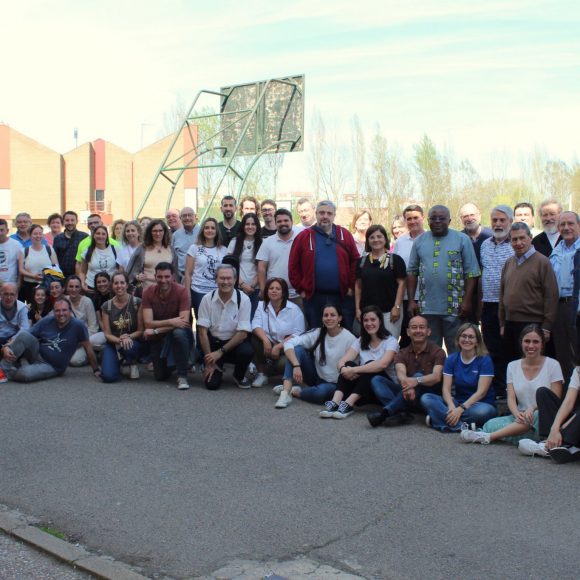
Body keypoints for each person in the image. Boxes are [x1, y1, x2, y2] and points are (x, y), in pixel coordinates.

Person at [461, 325, 563, 445]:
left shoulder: (553, 365)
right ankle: (528, 438)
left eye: (535, 342)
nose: (531, 346)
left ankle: (490, 437)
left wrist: (532, 409)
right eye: (527, 341)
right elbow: (511, 398)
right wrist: (516, 414)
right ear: (521, 343)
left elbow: (554, 398)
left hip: (543, 417)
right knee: (490, 424)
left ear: (542, 344)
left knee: (535, 416)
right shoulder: (512, 366)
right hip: (520, 417)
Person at [407, 205, 480, 352]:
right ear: (428, 221)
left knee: (457, 348)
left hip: (455, 307)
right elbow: (412, 272)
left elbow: (472, 273)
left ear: (450, 220)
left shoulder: (462, 239)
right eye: (433, 218)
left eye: (442, 218)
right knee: (431, 350)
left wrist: (466, 300)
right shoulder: (419, 241)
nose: (437, 221)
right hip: (427, 307)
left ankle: (453, 375)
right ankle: (435, 376)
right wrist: (411, 301)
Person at [319, 305, 400, 419]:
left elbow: (383, 364)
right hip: (365, 389)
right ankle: (335, 403)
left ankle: (348, 404)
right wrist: (343, 369)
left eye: (373, 320)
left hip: (384, 388)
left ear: (380, 321)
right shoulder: (360, 341)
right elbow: (342, 361)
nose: (369, 323)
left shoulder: (391, 341)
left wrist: (354, 370)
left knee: (370, 365)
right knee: (348, 364)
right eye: (365, 320)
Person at [289, 200, 359, 331]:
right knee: (316, 333)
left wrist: (351, 286)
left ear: (334, 215)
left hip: (342, 296)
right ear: (316, 214)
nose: (325, 216)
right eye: (322, 213)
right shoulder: (304, 236)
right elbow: (293, 265)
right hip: (314, 297)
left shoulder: (344, 235)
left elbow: (355, 261)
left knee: (344, 332)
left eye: (329, 213)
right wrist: (301, 290)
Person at [367, 315, 446, 427]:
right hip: (408, 395)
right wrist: (408, 384)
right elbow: (401, 374)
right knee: (377, 380)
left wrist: (416, 381)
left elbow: (436, 377)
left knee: (417, 375)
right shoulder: (402, 352)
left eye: (421, 327)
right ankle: (401, 413)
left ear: (428, 331)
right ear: (408, 332)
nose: (418, 330)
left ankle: (386, 413)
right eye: (414, 327)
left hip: (428, 396)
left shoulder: (438, 352)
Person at [0, 297, 100, 382]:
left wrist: (96, 370)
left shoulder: (78, 326)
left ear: (70, 311)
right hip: (36, 354)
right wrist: (7, 347)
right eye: (57, 310)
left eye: (64, 310)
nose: (61, 313)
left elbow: (88, 347)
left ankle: (13, 370)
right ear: (53, 311)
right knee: (23, 335)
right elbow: (26, 335)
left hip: (52, 366)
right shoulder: (47, 321)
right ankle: (3, 369)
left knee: (25, 374)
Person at [499, 222, 558, 365]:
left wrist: (546, 327)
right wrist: (502, 323)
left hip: (533, 324)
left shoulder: (542, 262)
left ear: (530, 238)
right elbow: (502, 295)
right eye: (514, 239)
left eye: (522, 238)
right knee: (513, 365)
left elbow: (551, 296)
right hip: (510, 324)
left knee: (533, 366)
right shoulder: (509, 263)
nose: (518, 243)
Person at [274, 304, 355, 409]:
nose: (329, 318)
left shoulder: (349, 338)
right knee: (297, 349)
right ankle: (285, 393)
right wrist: (296, 365)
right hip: (316, 377)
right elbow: (289, 344)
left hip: (336, 385)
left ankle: (294, 391)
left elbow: (353, 366)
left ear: (339, 318)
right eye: (326, 315)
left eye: (332, 315)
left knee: (320, 393)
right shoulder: (317, 333)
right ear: (322, 318)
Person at [421, 323, 496, 432]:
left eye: (471, 337)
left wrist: (460, 409)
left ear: (477, 341)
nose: (467, 340)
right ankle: (464, 426)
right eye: (463, 336)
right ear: (458, 339)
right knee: (426, 398)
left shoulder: (485, 360)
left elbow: (481, 393)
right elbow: (446, 389)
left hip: (479, 404)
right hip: (458, 402)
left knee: (484, 412)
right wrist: (452, 407)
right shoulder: (451, 359)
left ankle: (438, 420)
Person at [196, 264, 253, 390]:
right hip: (212, 344)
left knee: (247, 351)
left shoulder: (243, 300)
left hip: (233, 344)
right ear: (216, 279)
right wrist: (209, 361)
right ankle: (214, 367)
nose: (225, 282)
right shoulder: (207, 299)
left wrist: (220, 353)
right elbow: (202, 332)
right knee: (212, 385)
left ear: (235, 280)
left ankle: (238, 376)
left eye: (229, 278)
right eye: (222, 278)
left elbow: (242, 333)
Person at [479, 205, 514, 397]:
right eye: (495, 220)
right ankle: (497, 390)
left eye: (502, 220)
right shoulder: (485, 244)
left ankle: (510, 390)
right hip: (489, 305)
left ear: (510, 221)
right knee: (492, 348)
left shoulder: (515, 243)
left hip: (509, 307)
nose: (498, 224)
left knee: (509, 349)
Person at [142, 262, 193, 390]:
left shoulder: (181, 291)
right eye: (159, 277)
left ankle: (182, 375)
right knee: (160, 376)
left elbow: (184, 322)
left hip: (174, 334)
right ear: (155, 277)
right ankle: (178, 361)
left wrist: (156, 330)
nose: (163, 280)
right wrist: (171, 322)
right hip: (159, 337)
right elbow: (148, 323)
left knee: (179, 333)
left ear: (173, 276)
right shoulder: (148, 292)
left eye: (166, 276)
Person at [251, 278, 305, 388]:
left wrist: (279, 346)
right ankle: (262, 374)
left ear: (284, 292)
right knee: (253, 338)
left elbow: (299, 333)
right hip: (268, 344)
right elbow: (255, 325)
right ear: (267, 291)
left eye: (278, 289)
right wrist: (265, 340)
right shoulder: (261, 306)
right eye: (271, 288)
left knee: (284, 363)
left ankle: (274, 373)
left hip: (286, 348)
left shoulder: (294, 309)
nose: (274, 291)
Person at [518, 367, 580, 462]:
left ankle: (557, 445)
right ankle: (551, 442)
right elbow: (568, 403)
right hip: (574, 422)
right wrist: (554, 429)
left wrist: (562, 429)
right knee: (542, 392)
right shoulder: (578, 370)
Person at [355, 225, 406, 339]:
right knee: (369, 344)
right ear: (368, 241)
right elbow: (358, 286)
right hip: (367, 313)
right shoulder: (361, 262)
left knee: (389, 343)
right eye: (372, 237)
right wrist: (357, 309)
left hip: (389, 312)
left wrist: (397, 307)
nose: (376, 240)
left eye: (379, 236)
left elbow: (402, 284)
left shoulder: (395, 260)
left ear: (385, 239)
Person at [549, 211, 580, 384]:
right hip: (559, 307)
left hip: (577, 308)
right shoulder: (556, 250)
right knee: (563, 355)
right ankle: (568, 400)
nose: (566, 228)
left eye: (570, 224)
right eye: (562, 225)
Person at [100, 272, 144, 382]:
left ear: (127, 285)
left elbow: (140, 330)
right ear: (112, 285)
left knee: (129, 347)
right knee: (108, 377)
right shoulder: (106, 306)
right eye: (116, 283)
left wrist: (128, 337)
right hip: (114, 342)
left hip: (132, 342)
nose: (119, 286)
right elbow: (107, 334)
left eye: (122, 283)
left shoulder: (137, 302)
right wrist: (120, 340)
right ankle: (117, 361)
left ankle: (132, 362)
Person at [183, 217, 229, 322]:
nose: (210, 230)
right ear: (202, 230)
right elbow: (188, 273)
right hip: (198, 291)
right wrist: (187, 294)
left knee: (217, 322)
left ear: (217, 231)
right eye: (207, 228)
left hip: (217, 291)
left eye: (213, 228)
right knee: (202, 323)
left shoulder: (224, 250)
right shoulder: (194, 248)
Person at [394, 204, 426, 347]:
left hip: (426, 297)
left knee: (424, 335)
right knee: (406, 335)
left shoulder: (430, 238)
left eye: (416, 218)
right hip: (405, 297)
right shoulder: (400, 241)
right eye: (409, 219)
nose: (412, 221)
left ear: (423, 218)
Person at [256, 209, 300, 305]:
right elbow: (261, 267)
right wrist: (263, 289)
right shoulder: (267, 242)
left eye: (286, 220)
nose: (283, 223)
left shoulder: (300, 240)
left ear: (292, 222)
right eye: (279, 221)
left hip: (297, 294)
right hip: (274, 295)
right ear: (275, 223)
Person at [126, 219, 178, 295]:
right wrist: (137, 276)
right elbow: (131, 271)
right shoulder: (142, 249)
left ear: (165, 232)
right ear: (150, 232)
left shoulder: (171, 250)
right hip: (147, 291)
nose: (158, 233)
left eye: (160, 231)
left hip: (167, 292)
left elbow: (175, 273)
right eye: (154, 231)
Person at [227, 213, 262, 317]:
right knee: (238, 319)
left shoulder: (263, 243)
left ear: (257, 226)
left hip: (255, 289)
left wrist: (251, 286)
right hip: (237, 288)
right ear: (243, 226)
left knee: (253, 320)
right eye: (247, 224)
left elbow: (263, 267)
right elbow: (230, 266)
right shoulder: (234, 242)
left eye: (253, 224)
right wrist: (242, 285)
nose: (250, 227)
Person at [65, 275, 105, 365]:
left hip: (86, 338)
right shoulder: (64, 301)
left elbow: (93, 327)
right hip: (69, 339)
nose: (74, 289)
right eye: (71, 286)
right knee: (70, 359)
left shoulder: (87, 302)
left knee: (75, 360)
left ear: (80, 288)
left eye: (77, 287)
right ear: (67, 288)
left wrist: (80, 340)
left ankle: (92, 353)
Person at [19, 224, 60, 304]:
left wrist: (46, 274)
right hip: (29, 286)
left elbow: (56, 268)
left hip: (47, 285)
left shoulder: (50, 249)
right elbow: (21, 270)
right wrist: (33, 276)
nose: (38, 236)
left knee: (47, 307)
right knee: (31, 308)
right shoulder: (24, 251)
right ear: (30, 235)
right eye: (35, 234)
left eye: (40, 233)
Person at [79, 225, 118, 295]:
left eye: (103, 234)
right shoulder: (87, 251)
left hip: (111, 288)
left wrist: (116, 284)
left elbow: (120, 269)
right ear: (93, 235)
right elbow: (82, 272)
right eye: (98, 233)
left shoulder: (115, 249)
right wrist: (82, 284)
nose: (101, 236)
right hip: (92, 288)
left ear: (107, 236)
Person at [52, 211, 88, 278]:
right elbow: (54, 258)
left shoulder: (84, 237)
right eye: (67, 220)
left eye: (72, 220)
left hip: (79, 276)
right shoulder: (58, 238)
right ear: (63, 222)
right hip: (62, 276)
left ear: (76, 221)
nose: (70, 223)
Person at [0, 283, 29, 358]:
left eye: (12, 294)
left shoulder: (22, 307)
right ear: (1, 294)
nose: (8, 297)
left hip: (13, 338)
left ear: (16, 295)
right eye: (5, 294)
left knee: (24, 337)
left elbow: (25, 328)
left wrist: (12, 340)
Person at [171, 207, 200, 281]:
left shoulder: (203, 232)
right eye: (184, 216)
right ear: (180, 218)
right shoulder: (176, 235)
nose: (187, 218)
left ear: (195, 216)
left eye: (190, 215)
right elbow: (173, 257)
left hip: (200, 278)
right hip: (181, 278)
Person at [0, 218, 24, 286]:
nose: (0, 233)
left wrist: (18, 285)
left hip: (11, 286)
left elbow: (21, 267)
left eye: (2, 230)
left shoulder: (16, 245)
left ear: (7, 231)